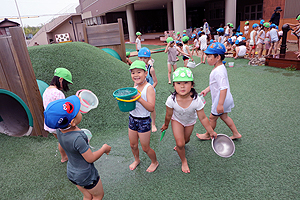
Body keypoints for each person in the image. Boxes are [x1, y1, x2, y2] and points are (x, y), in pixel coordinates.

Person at [44, 95, 111, 200]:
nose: (80, 111)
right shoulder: (78, 139)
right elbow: (90, 158)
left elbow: (71, 129)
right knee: (98, 195)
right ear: (72, 122)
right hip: (86, 175)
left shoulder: (59, 130)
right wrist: (104, 149)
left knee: (87, 196)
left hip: (72, 173)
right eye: (77, 111)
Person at [161, 67, 217, 173]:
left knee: (186, 140)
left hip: (190, 122)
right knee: (180, 143)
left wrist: (210, 131)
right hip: (177, 120)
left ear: (192, 85)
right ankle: (184, 160)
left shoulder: (197, 100)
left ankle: (182, 144)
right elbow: (168, 115)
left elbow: (203, 117)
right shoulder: (171, 100)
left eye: (186, 82)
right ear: (174, 85)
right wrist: (166, 125)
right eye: (178, 83)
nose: (182, 86)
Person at [197, 42, 242, 140]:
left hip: (221, 99)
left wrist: (220, 104)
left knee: (212, 118)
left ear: (217, 57)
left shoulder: (218, 71)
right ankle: (236, 133)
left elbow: (223, 88)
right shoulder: (219, 67)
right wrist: (207, 90)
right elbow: (215, 84)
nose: (207, 58)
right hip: (225, 98)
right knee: (224, 117)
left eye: (209, 56)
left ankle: (208, 134)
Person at [127, 60, 159, 172]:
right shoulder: (134, 87)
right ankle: (137, 160)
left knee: (145, 147)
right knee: (133, 145)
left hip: (143, 120)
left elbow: (151, 108)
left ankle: (155, 162)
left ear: (146, 73)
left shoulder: (149, 88)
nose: (135, 75)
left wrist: (139, 98)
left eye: (139, 72)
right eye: (133, 73)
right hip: (132, 118)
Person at [43, 68, 73, 163]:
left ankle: (64, 157)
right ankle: (66, 157)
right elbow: (63, 111)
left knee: (61, 140)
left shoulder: (46, 91)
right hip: (59, 123)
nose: (65, 86)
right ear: (60, 79)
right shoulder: (58, 93)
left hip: (50, 122)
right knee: (65, 140)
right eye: (66, 83)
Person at [138, 47, 158, 132]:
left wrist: (150, 88)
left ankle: (153, 124)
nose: (143, 60)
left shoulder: (151, 69)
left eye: (145, 58)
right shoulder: (138, 69)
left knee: (152, 108)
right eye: (141, 58)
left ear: (149, 58)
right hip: (140, 92)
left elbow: (155, 82)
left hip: (150, 92)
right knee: (140, 107)